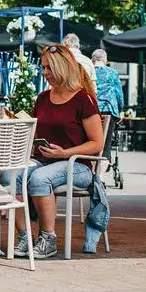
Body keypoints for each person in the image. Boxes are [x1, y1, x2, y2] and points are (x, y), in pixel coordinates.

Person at [13, 44, 104, 259]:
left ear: (63, 68)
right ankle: (24, 236)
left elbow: (97, 144)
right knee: (12, 173)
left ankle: (48, 238)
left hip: (78, 164)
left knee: (39, 178)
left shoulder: (83, 99)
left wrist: (64, 153)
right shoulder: (43, 98)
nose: (45, 73)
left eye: (49, 68)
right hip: (44, 159)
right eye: (43, 68)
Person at [91, 48, 124, 161]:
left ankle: (91, 167)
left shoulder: (88, 72)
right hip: (108, 110)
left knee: (91, 140)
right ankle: (101, 173)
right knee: (106, 141)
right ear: (105, 60)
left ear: (92, 60)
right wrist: (121, 110)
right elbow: (119, 93)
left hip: (92, 110)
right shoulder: (112, 73)